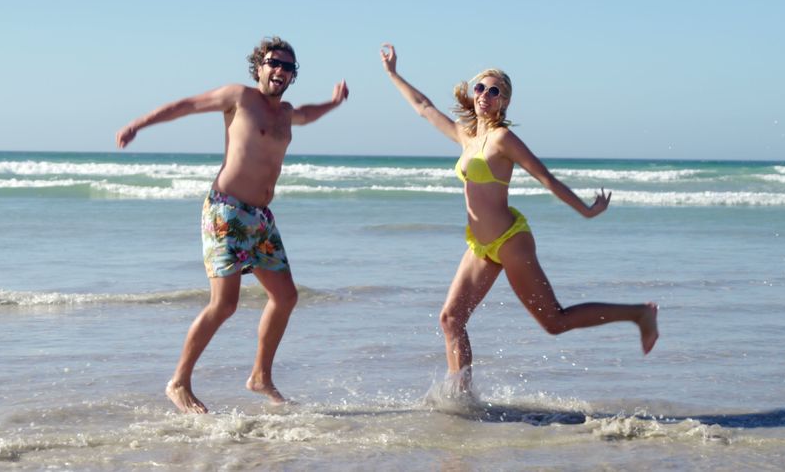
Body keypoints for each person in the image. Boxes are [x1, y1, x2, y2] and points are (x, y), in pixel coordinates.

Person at [379, 43, 658, 389]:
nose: (485, 95)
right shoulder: (467, 136)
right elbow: (424, 107)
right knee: (451, 319)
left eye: (494, 91)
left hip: (510, 242)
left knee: (554, 321)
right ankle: (460, 398)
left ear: (504, 101)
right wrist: (393, 74)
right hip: (480, 246)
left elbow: (547, 179)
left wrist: (586, 211)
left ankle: (639, 313)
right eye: (480, 87)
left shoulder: (503, 139)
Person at [116, 36, 349, 413]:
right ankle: (179, 381)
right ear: (259, 66)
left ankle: (260, 376)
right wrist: (138, 125)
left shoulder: (287, 112)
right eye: (274, 63)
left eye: (288, 67)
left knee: (286, 297)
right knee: (224, 304)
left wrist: (334, 103)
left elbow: (308, 113)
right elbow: (185, 106)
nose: (280, 71)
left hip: (260, 219)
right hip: (226, 211)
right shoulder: (239, 98)